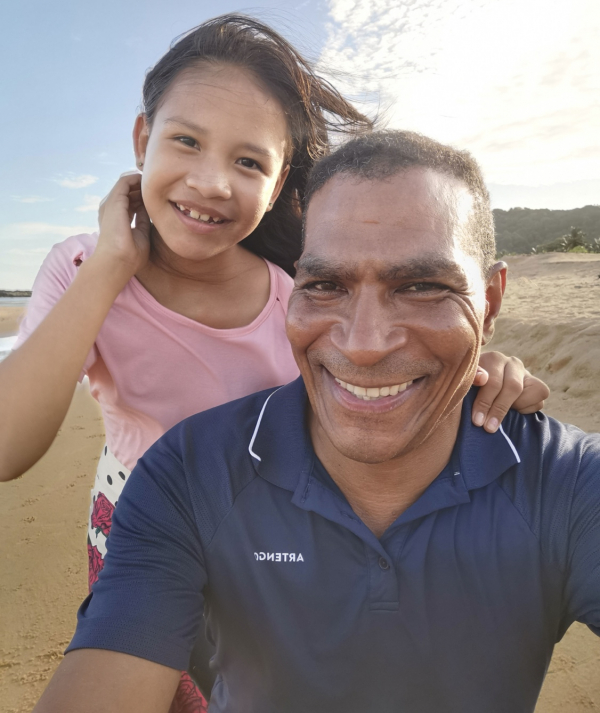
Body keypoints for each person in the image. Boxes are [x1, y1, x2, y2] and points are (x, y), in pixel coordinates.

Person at [32, 130, 599, 713]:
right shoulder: (188, 472)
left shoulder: (569, 483)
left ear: (491, 299)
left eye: (423, 286)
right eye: (327, 285)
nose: (364, 345)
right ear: (296, 286)